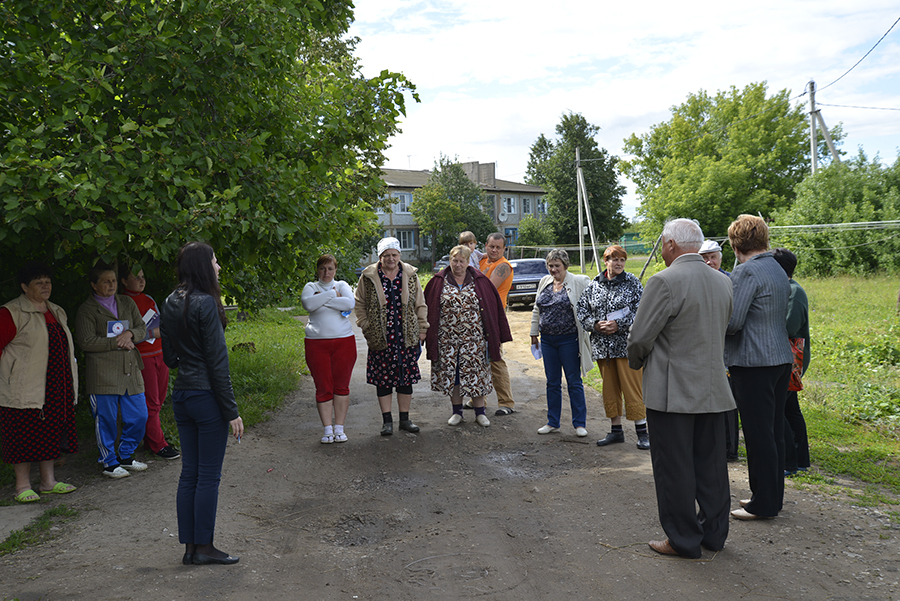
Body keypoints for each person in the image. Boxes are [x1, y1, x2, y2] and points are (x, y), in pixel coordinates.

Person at [627, 218, 735, 559]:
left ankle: (683, 540)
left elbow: (640, 337)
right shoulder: (722, 281)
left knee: (674, 468)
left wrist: (636, 362)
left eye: (662, 243)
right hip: (714, 388)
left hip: (672, 392)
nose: (661, 249)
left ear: (672, 244)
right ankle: (714, 536)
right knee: (712, 467)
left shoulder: (664, 281)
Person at [160, 241, 243, 566]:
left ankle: (191, 549)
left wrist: (188, 355)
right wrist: (231, 411)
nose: (219, 266)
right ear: (203, 266)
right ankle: (204, 548)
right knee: (207, 477)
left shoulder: (170, 300)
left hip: (182, 395)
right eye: (215, 261)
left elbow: (170, 358)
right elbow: (217, 363)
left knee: (189, 474)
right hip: (206, 397)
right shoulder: (206, 303)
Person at [725, 215, 793, 521]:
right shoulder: (776, 267)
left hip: (753, 362)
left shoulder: (747, 271)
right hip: (780, 357)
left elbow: (734, 322)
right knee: (773, 432)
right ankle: (770, 496)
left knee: (757, 435)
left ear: (736, 243)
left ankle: (762, 504)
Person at [0, 262, 78, 503]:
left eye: (48, 282)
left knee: (50, 432)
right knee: (21, 435)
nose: (45, 286)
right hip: (23, 387)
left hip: (56, 384)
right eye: (38, 282)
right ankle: (22, 486)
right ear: (24, 287)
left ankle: (48, 482)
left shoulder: (56, 310)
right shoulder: (10, 312)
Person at [424, 246, 511, 427]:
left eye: (461, 261)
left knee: (477, 375)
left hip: (475, 340)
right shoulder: (438, 280)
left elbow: (493, 308)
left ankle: (480, 413)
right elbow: (427, 307)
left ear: (467, 261)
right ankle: (457, 413)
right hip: (447, 340)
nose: (458, 264)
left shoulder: (480, 281)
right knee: (454, 376)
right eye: (454, 260)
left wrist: (497, 334)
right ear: (450, 261)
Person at [76, 261, 149, 478]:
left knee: (139, 416)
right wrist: (117, 341)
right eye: (105, 281)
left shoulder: (126, 302)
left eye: (114, 280)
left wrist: (131, 335)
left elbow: (142, 328)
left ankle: (126, 456)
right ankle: (108, 462)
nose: (111, 285)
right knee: (105, 419)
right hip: (103, 374)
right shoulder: (87, 310)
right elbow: (86, 342)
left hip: (130, 370)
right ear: (94, 285)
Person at [576, 245, 649, 449]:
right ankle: (616, 431)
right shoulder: (594, 285)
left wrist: (620, 324)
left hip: (626, 347)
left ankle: (642, 432)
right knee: (609, 390)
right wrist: (595, 325)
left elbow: (642, 310)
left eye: (622, 260)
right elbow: (581, 309)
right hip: (603, 348)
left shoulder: (632, 283)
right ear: (605, 261)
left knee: (632, 389)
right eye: (614, 259)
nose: (618, 263)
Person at [355, 237, 428, 436]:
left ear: (399, 255)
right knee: (383, 380)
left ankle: (405, 420)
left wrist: (422, 328)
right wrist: (366, 325)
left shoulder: (410, 274)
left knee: (405, 380)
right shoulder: (369, 276)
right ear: (380, 257)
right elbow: (359, 303)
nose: (390, 259)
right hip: (381, 337)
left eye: (394, 254)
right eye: (386, 255)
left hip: (406, 336)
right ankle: (387, 421)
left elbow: (420, 303)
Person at [120, 264, 180, 460]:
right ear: (124, 281)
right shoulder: (122, 303)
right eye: (135, 277)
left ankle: (149, 438)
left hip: (160, 353)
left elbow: (163, 326)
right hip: (142, 357)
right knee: (151, 401)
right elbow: (124, 335)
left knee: (159, 400)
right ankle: (158, 444)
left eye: (142, 276)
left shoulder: (149, 299)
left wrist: (151, 333)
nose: (141, 280)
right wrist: (148, 333)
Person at [530, 249, 592, 436]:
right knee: (552, 382)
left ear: (565, 265)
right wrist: (534, 334)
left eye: (557, 265)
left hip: (569, 340)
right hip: (548, 340)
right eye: (550, 265)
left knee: (574, 381)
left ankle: (579, 424)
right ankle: (552, 422)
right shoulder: (545, 281)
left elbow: (591, 303)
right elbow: (536, 308)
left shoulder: (579, 281)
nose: (553, 269)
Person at [301, 254, 357, 443]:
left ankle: (339, 428)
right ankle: (327, 429)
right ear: (317, 270)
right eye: (323, 268)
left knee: (341, 386)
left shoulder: (342, 285)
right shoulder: (311, 287)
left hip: (344, 342)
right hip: (316, 344)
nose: (326, 272)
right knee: (323, 386)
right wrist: (333, 296)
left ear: (335, 270)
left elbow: (350, 304)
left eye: (330, 268)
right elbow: (308, 304)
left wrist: (321, 299)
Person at [772, 248, 811, 477]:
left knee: (779, 410)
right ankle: (800, 459)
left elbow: (790, 326)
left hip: (790, 360)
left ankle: (789, 462)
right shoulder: (789, 289)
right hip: (788, 360)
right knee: (790, 409)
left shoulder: (793, 292)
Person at [700, 240, 740, 462]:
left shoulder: (729, 280)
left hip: (726, 349)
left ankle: (729, 449)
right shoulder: (697, 281)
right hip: (705, 350)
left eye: (713, 257)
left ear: (720, 258)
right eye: (704, 257)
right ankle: (712, 445)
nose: (709, 261)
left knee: (728, 401)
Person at [469, 232, 516, 416]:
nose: (494, 250)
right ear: (486, 246)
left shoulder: (503, 266)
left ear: (504, 249)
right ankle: (477, 399)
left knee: (495, 359)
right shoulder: (481, 261)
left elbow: (485, 287)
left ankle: (507, 403)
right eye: (491, 246)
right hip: (476, 316)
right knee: (476, 358)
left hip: (493, 317)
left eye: (498, 247)